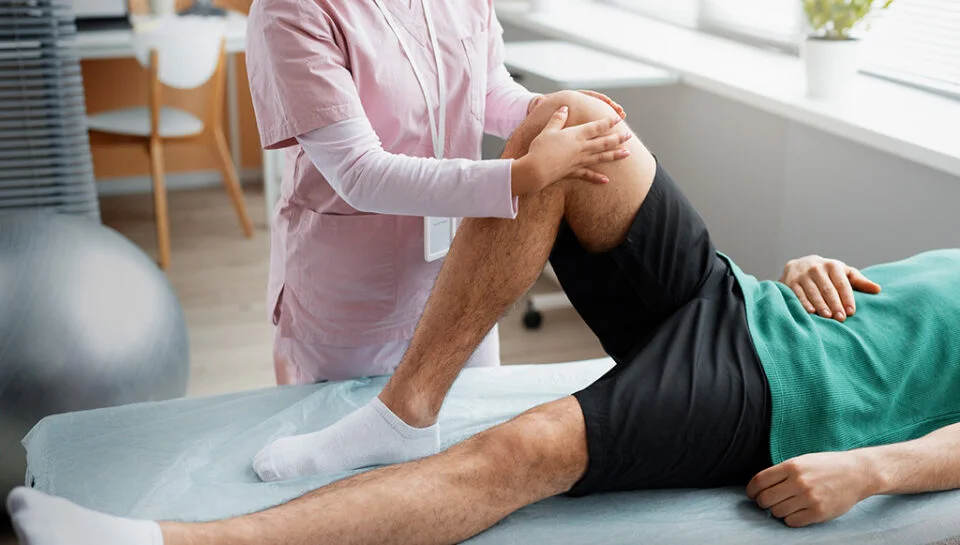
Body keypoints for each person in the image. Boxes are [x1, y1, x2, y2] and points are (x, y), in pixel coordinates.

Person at [9, 91, 960, 545]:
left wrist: (871, 467)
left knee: (525, 447)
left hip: (781, 395)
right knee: (567, 124)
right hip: (753, 301)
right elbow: (918, 315)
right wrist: (817, 262)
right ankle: (404, 408)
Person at [246, 0, 630, 385]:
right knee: (350, 438)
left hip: (461, 280)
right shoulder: (293, 10)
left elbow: (486, 88)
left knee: (470, 434)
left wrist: (545, 111)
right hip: (351, 303)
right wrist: (520, 176)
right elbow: (357, 173)